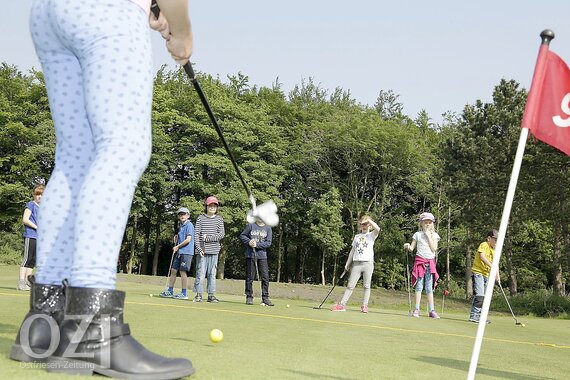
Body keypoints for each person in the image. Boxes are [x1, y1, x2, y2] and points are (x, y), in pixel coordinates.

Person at [11, 1, 195, 378]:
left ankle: (45, 323)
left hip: (49, 13)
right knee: (122, 148)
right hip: (105, 10)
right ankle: (91, 328)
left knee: (74, 158)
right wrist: (183, 31)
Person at [331, 216, 380, 313]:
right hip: (356, 263)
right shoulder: (356, 237)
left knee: (367, 286)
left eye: (366, 224)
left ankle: (364, 306)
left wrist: (369, 220)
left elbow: (378, 228)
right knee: (350, 285)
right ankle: (342, 305)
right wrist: (347, 264)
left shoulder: (371, 235)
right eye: (362, 224)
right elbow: (352, 251)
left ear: (369, 225)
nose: (364, 226)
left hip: (368, 264)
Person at [404, 212, 441, 319]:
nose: (428, 224)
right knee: (419, 286)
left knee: (429, 288)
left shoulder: (435, 235)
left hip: (430, 263)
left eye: (429, 222)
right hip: (420, 262)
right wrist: (407, 246)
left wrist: (429, 236)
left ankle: (432, 310)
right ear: (421, 223)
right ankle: (417, 309)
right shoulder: (417, 235)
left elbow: (434, 248)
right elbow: (412, 248)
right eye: (425, 222)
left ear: (432, 224)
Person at [192, 196, 225, 303]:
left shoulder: (219, 219)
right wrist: (199, 248)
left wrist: (209, 238)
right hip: (202, 251)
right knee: (200, 273)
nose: (212, 207)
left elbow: (221, 234)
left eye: (214, 206)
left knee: (212, 274)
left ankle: (211, 295)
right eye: (210, 205)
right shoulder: (200, 218)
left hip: (214, 250)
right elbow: (196, 234)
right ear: (206, 206)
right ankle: (198, 295)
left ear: (217, 207)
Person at [160, 207, 195, 300]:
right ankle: (170, 291)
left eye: (184, 214)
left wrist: (177, 246)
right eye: (180, 214)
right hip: (180, 251)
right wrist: (177, 238)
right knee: (173, 270)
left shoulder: (189, 225)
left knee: (182, 272)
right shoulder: (181, 225)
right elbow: (182, 237)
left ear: (188, 215)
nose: (182, 216)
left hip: (186, 252)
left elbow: (188, 240)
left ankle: (184, 293)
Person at [240, 217, 273, 306]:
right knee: (250, 277)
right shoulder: (250, 226)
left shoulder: (268, 228)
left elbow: (268, 243)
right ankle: (249, 297)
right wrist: (249, 241)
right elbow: (242, 236)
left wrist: (257, 244)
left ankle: (265, 298)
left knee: (265, 277)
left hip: (262, 256)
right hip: (250, 255)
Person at [469, 229, 500, 323]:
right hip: (478, 272)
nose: (496, 242)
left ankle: (481, 316)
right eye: (495, 239)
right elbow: (482, 257)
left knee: (485, 297)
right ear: (488, 238)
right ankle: (474, 316)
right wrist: (493, 266)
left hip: (486, 275)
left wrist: (497, 275)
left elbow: (496, 264)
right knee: (480, 295)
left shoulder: (494, 250)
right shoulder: (484, 245)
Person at [18, 184, 44, 291]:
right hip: (30, 235)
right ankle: (21, 282)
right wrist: (37, 227)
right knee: (27, 259)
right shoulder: (31, 205)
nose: (39, 197)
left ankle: (28, 283)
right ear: (34, 194)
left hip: (39, 237)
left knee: (33, 261)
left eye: (42, 195)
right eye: (38, 194)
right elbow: (25, 219)